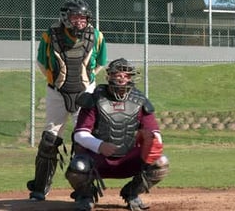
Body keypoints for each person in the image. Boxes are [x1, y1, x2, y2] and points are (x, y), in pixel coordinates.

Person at [27, 0, 108, 201]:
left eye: (83, 17)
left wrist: (84, 81)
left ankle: (83, 187)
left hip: (85, 91)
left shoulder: (96, 35)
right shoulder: (50, 35)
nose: (80, 21)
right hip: (57, 91)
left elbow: (100, 63)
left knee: (84, 136)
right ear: (65, 18)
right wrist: (58, 82)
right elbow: (42, 62)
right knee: (50, 139)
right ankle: (41, 187)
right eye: (75, 17)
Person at [65, 57, 169, 211]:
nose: (122, 79)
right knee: (78, 166)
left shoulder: (139, 101)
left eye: (126, 76)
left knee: (160, 162)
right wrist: (99, 146)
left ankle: (132, 193)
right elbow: (80, 134)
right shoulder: (94, 99)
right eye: (118, 75)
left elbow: (154, 130)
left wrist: (152, 141)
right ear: (109, 76)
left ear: (131, 78)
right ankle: (86, 195)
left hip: (127, 159)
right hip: (98, 160)